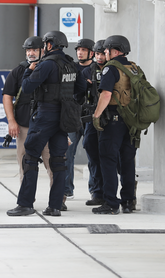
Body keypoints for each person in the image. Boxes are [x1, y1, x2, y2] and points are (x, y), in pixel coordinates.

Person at [7, 31, 86, 217]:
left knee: (30, 158)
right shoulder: (71, 65)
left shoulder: (46, 64)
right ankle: (55, 206)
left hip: (45, 115)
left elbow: (26, 87)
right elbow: (82, 89)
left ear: (49, 45)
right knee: (59, 161)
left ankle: (25, 204)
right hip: (64, 117)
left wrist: (29, 69)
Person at [92, 35, 137, 215]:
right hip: (131, 121)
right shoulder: (133, 68)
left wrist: (96, 115)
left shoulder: (111, 69)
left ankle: (111, 203)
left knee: (108, 159)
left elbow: (106, 95)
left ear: (115, 51)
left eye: (106, 50)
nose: (105, 53)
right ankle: (128, 201)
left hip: (114, 120)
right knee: (127, 161)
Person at [2, 36, 52, 186]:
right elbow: (7, 96)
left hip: (47, 126)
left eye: (34, 50)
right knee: (25, 165)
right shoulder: (18, 71)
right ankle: (25, 200)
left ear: (43, 50)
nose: (31, 53)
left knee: (53, 163)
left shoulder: (51, 68)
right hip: (23, 125)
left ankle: (57, 200)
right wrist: (11, 121)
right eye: (28, 50)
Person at [64, 38, 95, 208]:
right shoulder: (71, 68)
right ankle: (67, 190)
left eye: (84, 50)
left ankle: (94, 190)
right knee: (67, 152)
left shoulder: (97, 69)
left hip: (90, 116)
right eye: (78, 50)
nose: (80, 52)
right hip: (73, 116)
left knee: (93, 154)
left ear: (91, 52)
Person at [80, 40, 107, 207]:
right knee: (92, 152)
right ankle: (97, 192)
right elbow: (77, 95)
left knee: (114, 157)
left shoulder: (114, 70)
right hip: (91, 117)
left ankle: (122, 193)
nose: (99, 57)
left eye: (102, 53)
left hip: (111, 118)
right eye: (97, 54)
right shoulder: (87, 71)